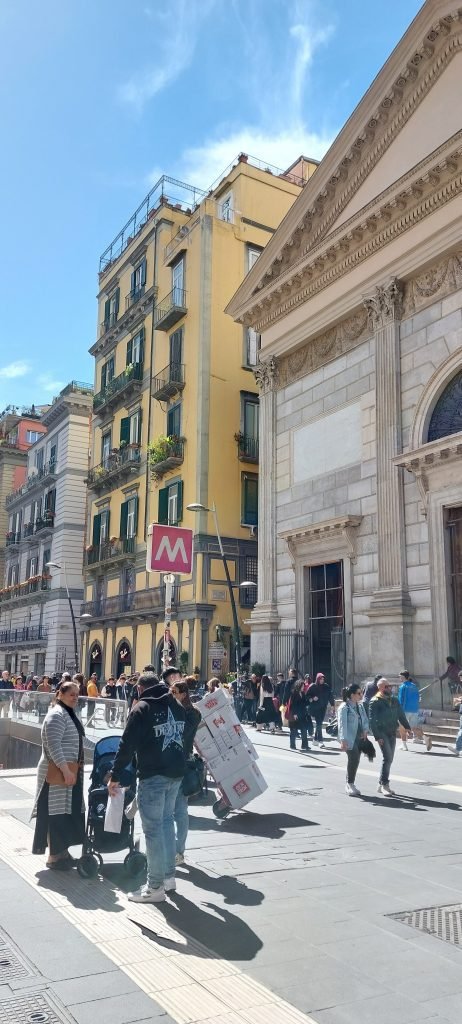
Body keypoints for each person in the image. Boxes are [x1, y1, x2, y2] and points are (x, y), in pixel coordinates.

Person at [107, 672, 186, 903]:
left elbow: (126, 743)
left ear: (140, 689)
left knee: (152, 831)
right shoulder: (176, 704)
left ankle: (154, 887)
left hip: (154, 774)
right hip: (176, 774)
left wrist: (115, 774)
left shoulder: (142, 708)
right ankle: (169, 878)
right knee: (166, 825)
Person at [31, 680, 85, 869]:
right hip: (56, 773)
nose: (75, 698)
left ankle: (62, 852)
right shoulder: (56, 715)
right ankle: (54, 856)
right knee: (54, 813)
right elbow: (53, 745)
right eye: (72, 695)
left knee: (64, 813)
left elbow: (78, 740)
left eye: (77, 695)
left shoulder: (67, 713)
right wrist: (65, 769)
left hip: (67, 772)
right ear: (60, 694)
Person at [170, 677, 201, 865]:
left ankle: (179, 851)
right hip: (167, 763)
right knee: (168, 810)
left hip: (183, 762)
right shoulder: (171, 709)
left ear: (183, 694)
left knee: (180, 810)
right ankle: (169, 848)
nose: (170, 695)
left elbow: (182, 735)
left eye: (174, 692)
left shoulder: (192, 713)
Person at [369, 678, 411, 796]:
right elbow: (372, 721)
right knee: (387, 757)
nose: (389, 688)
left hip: (392, 731)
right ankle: (385, 785)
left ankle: (381, 783)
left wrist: (407, 728)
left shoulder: (394, 700)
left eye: (390, 686)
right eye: (387, 686)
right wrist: (377, 736)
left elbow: (401, 715)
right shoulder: (375, 701)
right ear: (381, 688)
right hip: (382, 732)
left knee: (390, 758)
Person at [338, 684, 369, 796]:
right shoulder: (344, 707)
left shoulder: (359, 706)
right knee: (354, 758)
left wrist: (366, 730)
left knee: (356, 759)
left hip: (359, 737)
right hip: (349, 738)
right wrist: (343, 740)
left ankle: (351, 782)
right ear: (352, 695)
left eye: (361, 693)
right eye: (359, 693)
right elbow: (342, 725)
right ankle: (349, 784)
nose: (361, 695)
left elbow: (365, 719)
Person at [306, 673, 335, 747]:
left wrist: (332, 705)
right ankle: (320, 740)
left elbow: (330, 696)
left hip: (323, 708)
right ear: (317, 679)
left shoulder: (326, 686)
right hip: (315, 708)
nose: (322, 680)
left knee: (319, 723)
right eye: (320, 679)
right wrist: (312, 698)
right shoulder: (313, 686)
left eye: (323, 679)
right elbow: (307, 696)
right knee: (319, 723)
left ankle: (315, 739)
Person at [398, 670, 423, 748]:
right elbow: (418, 698)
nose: (399, 678)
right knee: (414, 726)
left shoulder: (402, 686)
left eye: (400, 677)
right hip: (414, 709)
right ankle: (417, 738)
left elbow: (401, 699)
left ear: (403, 677)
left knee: (402, 727)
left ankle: (404, 744)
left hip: (405, 709)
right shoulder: (414, 686)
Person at [287, 679, 311, 751]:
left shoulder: (303, 693)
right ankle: (292, 745)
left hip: (302, 714)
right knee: (293, 731)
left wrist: (309, 701)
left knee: (304, 730)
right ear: (298, 686)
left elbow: (304, 703)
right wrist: (294, 713)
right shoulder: (294, 693)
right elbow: (292, 704)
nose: (303, 687)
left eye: (303, 686)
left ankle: (305, 745)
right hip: (295, 714)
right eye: (302, 686)